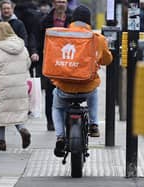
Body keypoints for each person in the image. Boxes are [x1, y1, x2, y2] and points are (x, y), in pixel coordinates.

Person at [50, 5, 113, 157]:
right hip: (87, 87)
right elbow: (107, 60)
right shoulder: (97, 39)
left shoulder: (60, 36)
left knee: (57, 107)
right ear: (88, 21)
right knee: (94, 89)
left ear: (72, 19)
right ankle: (93, 124)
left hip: (64, 87)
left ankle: (60, 136)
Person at [0, 22, 31, 151]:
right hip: (19, 85)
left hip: (2, 87)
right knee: (16, 112)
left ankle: (1, 142)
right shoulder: (22, 47)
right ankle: (23, 129)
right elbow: (27, 64)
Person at [40, 0, 72, 131]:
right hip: (51, 61)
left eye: (63, 1)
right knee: (50, 92)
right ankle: (50, 120)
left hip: (68, 61)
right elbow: (38, 37)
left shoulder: (71, 19)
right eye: (58, 1)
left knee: (68, 90)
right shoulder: (45, 20)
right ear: (54, 3)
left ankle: (67, 119)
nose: (61, 4)